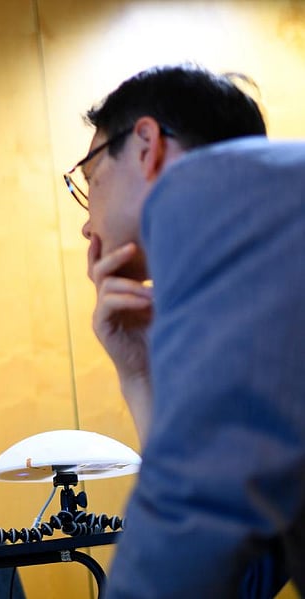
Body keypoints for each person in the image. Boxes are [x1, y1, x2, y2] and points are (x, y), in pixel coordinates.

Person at [65, 63, 304, 597]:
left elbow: (177, 559)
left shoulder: (215, 224)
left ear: (147, 145)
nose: (86, 220)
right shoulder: (268, 237)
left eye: (91, 179)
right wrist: (140, 373)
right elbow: (245, 575)